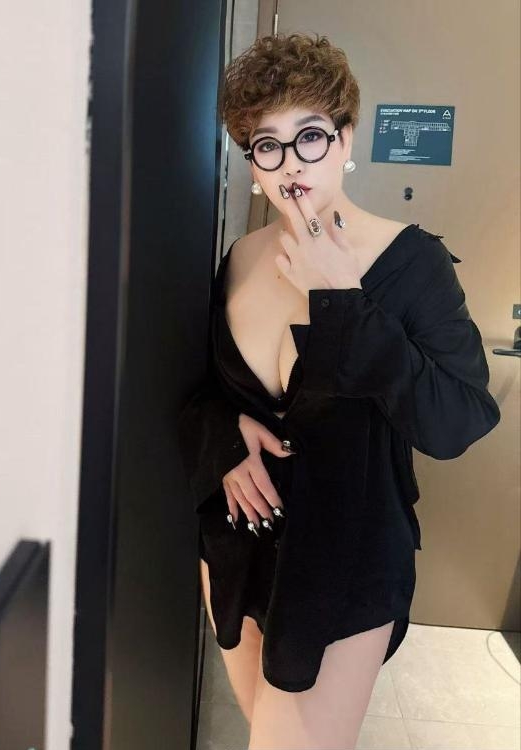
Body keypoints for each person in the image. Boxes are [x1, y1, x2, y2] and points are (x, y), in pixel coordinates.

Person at [177, 32, 501, 750]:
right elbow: (200, 390)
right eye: (268, 144)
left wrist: (345, 303)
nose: (291, 163)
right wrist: (228, 438)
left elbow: (460, 419)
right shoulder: (240, 258)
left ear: (346, 138)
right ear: (251, 161)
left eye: (311, 136)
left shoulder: (412, 263)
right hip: (238, 547)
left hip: (345, 563)